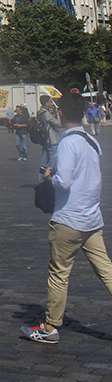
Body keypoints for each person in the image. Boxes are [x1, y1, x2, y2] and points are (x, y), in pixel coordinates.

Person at [21, 90, 112, 343]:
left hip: (69, 220)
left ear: (60, 113)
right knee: (106, 270)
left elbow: (65, 181)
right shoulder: (91, 140)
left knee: (59, 274)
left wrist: (50, 176)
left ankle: (50, 327)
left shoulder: (67, 143)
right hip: (92, 219)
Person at [37, 95, 62, 178]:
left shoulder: (40, 112)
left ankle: (40, 179)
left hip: (45, 139)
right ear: (46, 103)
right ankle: (50, 177)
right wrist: (57, 115)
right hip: (52, 139)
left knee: (43, 161)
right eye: (50, 102)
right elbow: (58, 124)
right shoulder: (46, 114)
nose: (51, 104)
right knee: (52, 160)